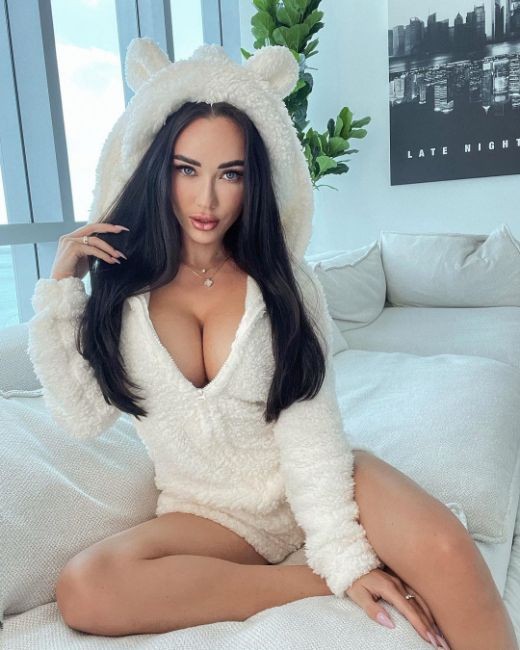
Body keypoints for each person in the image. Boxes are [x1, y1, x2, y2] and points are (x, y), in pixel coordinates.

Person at [26, 38, 518, 650]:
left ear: (253, 179)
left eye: (229, 174)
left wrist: (342, 550)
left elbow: (310, 428)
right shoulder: (121, 292)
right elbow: (81, 415)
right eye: (187, 169)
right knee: (85, 588)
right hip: (211, 515)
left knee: (447, 549)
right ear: (158, 168)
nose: (207, 200)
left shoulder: (284, 284)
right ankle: (302, 584)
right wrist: (60, 290)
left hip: (320, 481)